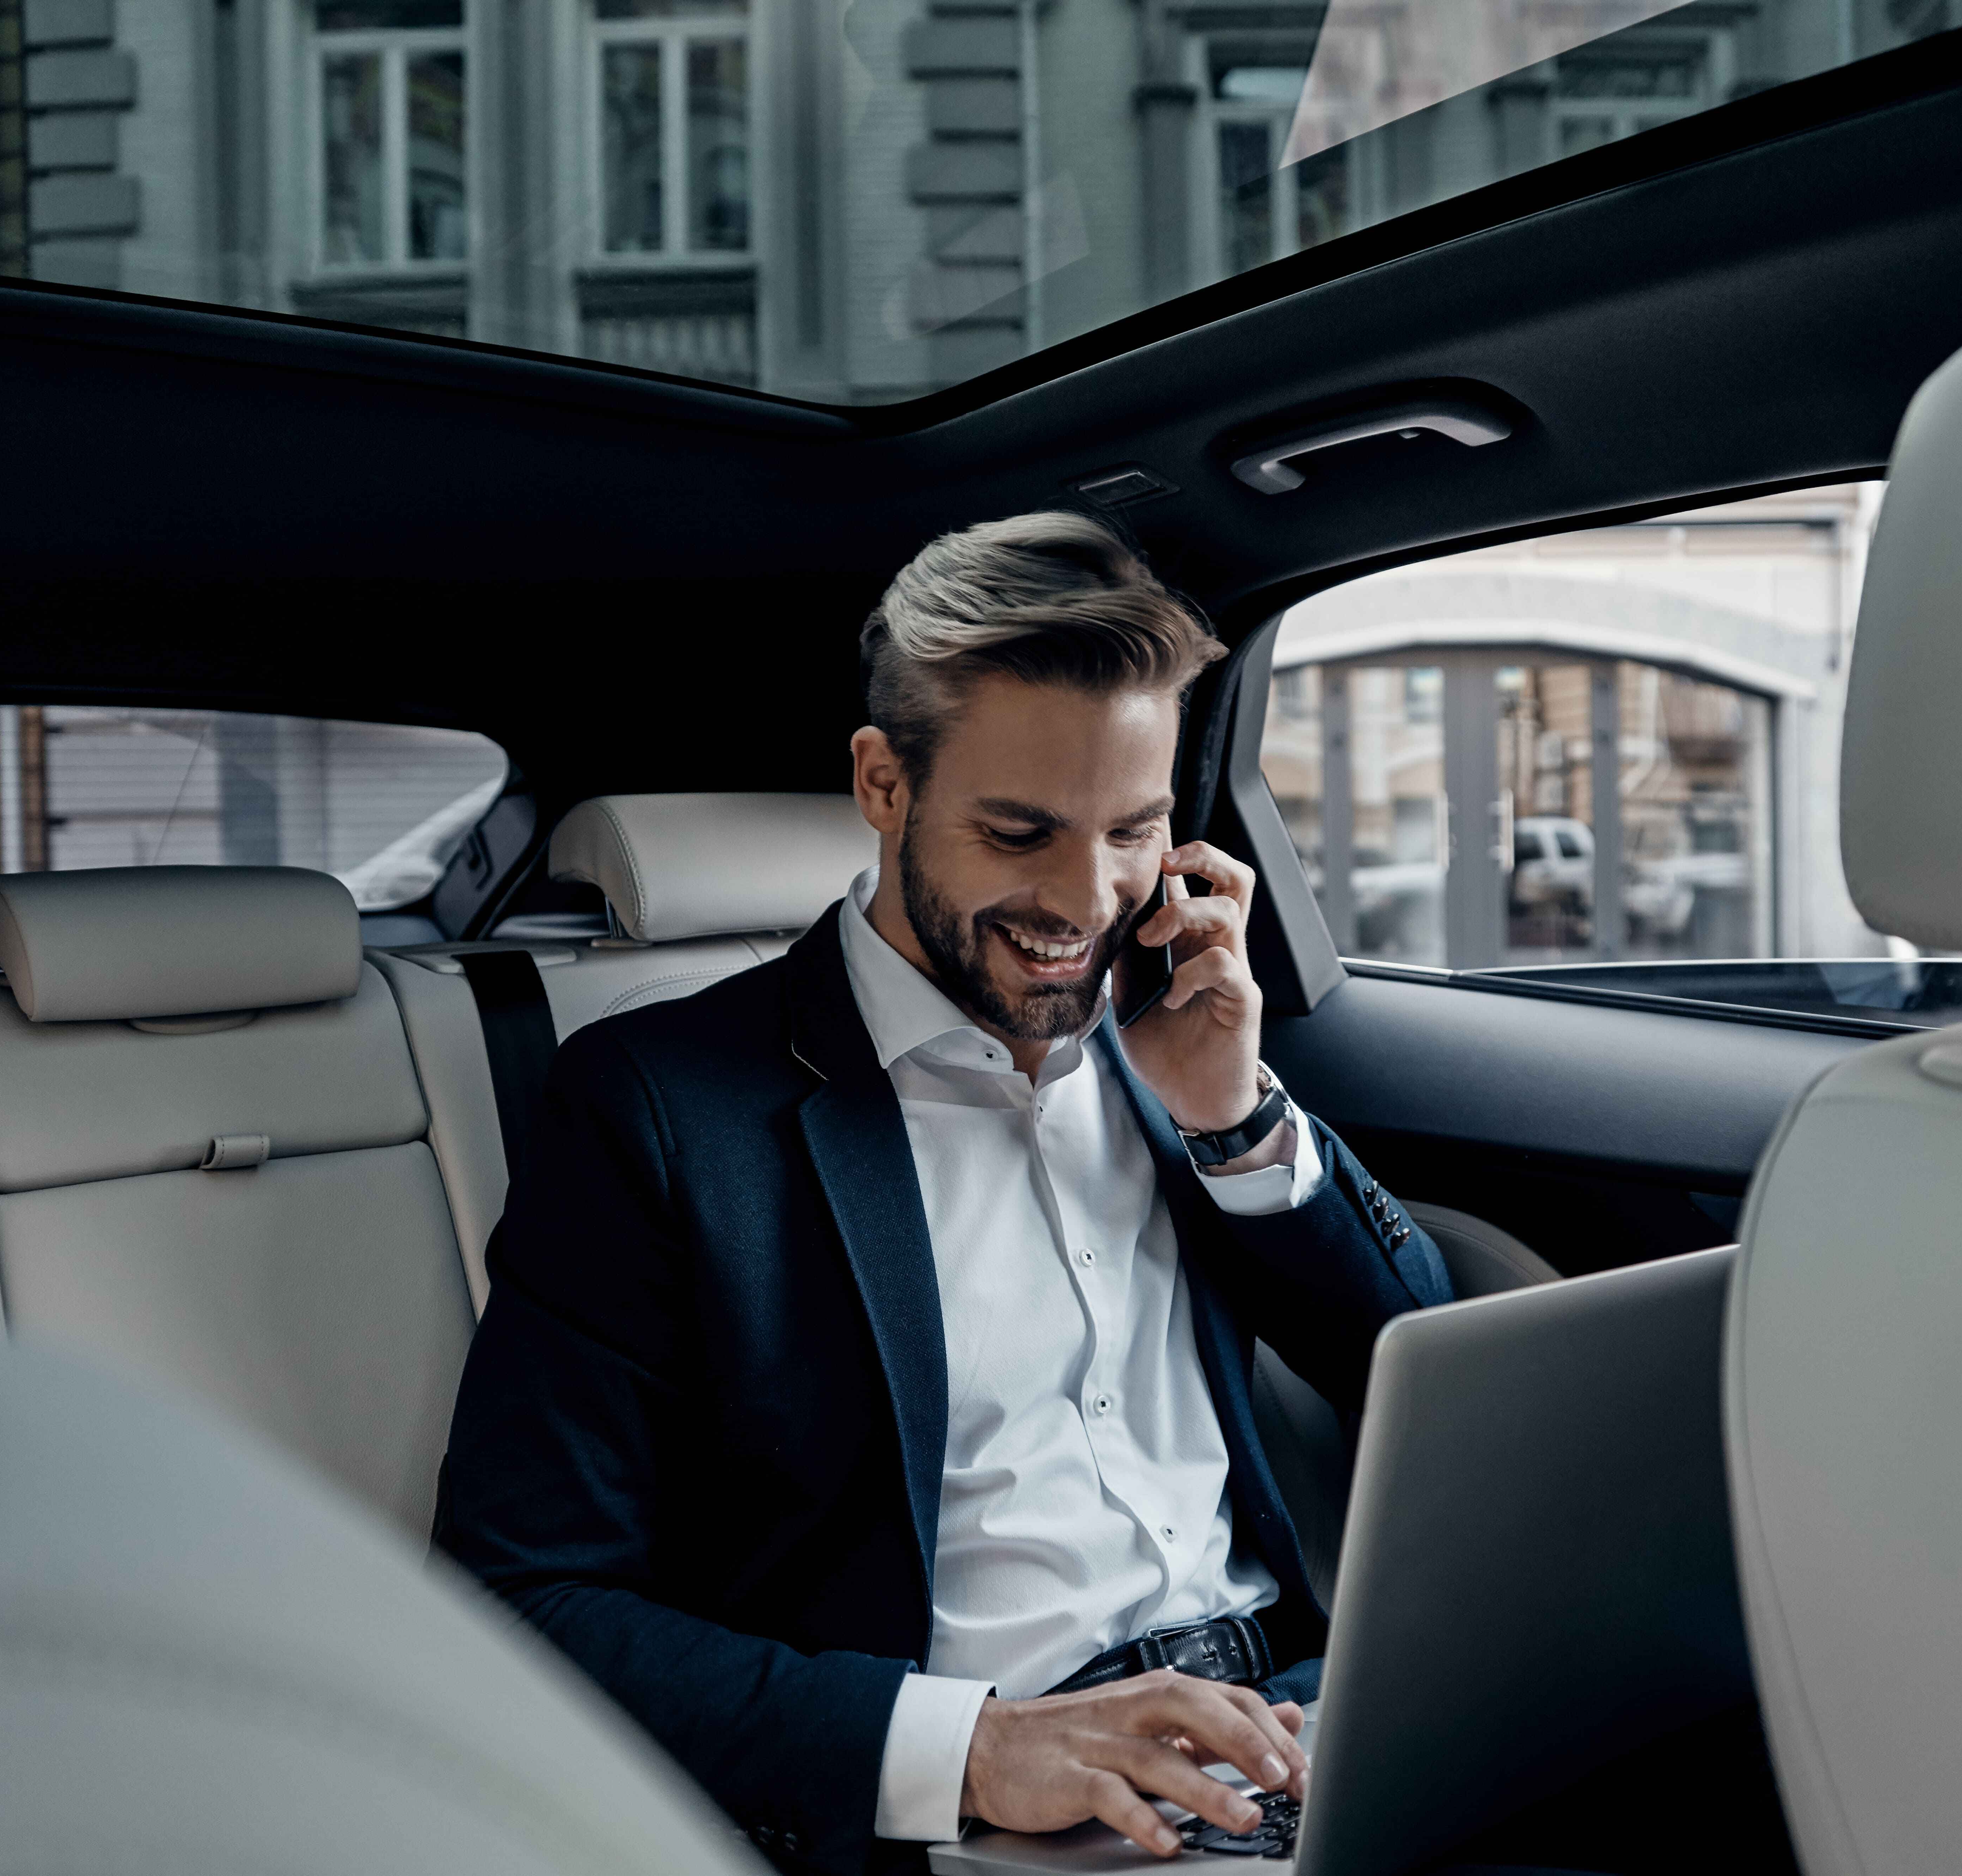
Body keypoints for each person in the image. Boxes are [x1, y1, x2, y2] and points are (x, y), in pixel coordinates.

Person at [436, 511, 1452, 1875]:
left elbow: (1418, 1372)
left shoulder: (1179, 1036)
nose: (1087, 900)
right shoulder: (659, 1110)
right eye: (1021, 832)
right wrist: (975, 1750)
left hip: (1293, 1728)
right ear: (882, 782)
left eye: (1134, 831)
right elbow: (521, 1600)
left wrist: (1234, 1116)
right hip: (993, 1815)